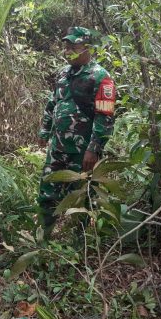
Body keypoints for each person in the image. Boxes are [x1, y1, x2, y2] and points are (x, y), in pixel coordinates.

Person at [37, 26, 116, 237]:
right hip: (58, 147)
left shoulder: (101, 77)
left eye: (73, 47)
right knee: (47, 193)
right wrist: (45, 131)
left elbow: (105, 116)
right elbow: (53, 103)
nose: (68, 51)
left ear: (87, 48)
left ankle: (80, 243)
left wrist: (94, 148)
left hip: (83, 152)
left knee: (81, 198)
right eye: (66, 47)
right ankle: (43, 237)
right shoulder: (63, 73)